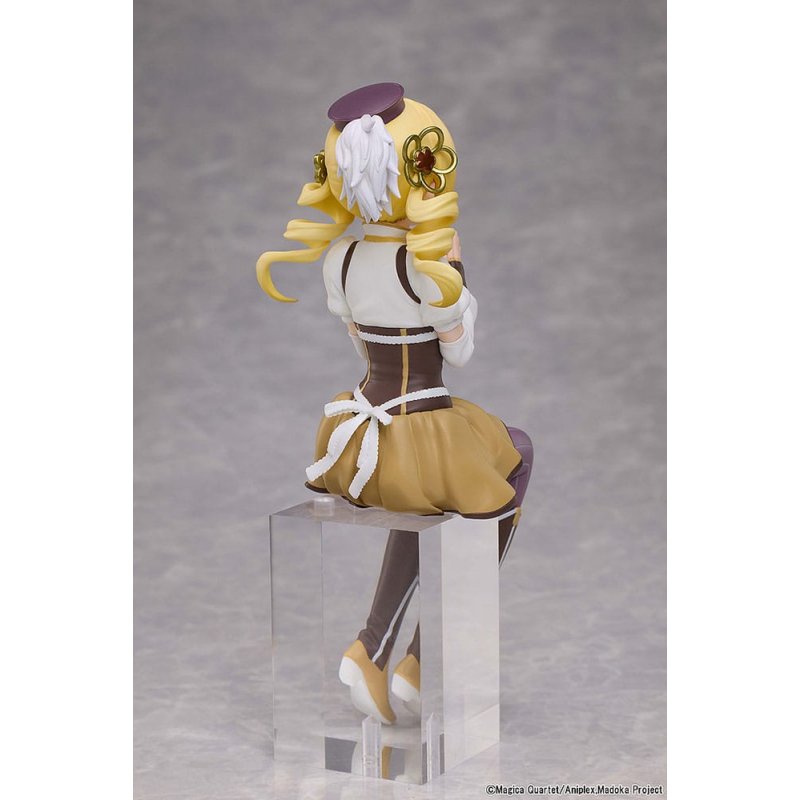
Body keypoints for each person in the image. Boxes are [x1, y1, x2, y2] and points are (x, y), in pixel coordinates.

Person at [257, 83, 533, 725]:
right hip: (420, 426)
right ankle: (417, 659)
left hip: (358, 435)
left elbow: (362, 343)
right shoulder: (424, 264)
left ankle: (375, 648)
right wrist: (457, 275)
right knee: (512, 459)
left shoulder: (342, 258)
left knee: (427, 507)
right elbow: (460, 354)